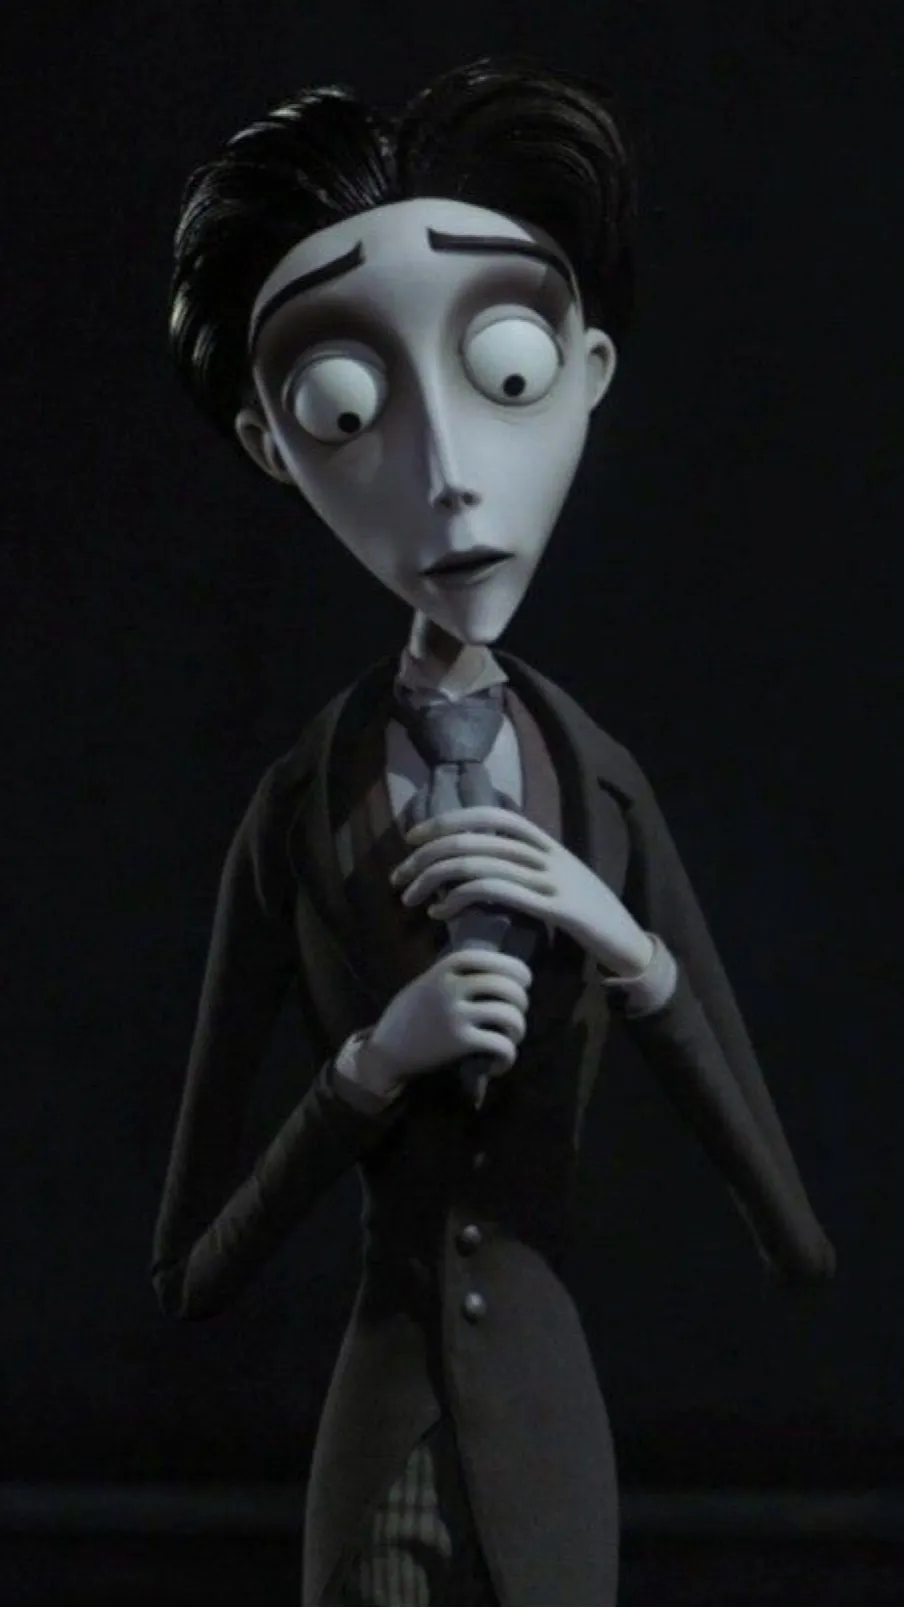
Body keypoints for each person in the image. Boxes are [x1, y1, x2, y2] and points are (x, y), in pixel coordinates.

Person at [151, 57, 835, 1607]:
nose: (451, 479)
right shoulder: (296, 816)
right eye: (343, 409)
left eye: (506, 372)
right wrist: (367, 1068)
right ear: (271, 444)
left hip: (548, 1445)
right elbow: (192, 1268)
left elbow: (793, 1235)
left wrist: (626, 945)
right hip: (376, 1445)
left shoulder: (603, 793)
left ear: (586, 371)